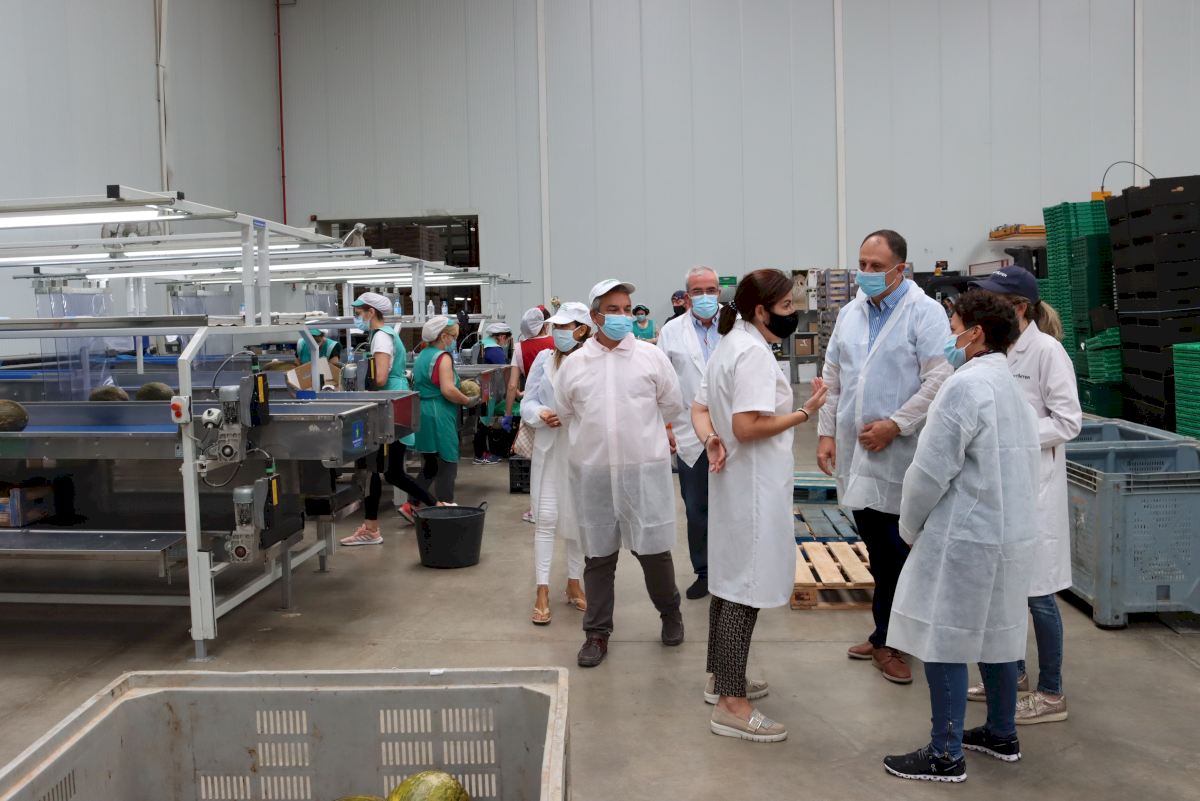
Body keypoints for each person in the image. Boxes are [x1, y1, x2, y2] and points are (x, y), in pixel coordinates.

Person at [882, 290, 1040, 783]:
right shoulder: (1010, 386)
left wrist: (909, 526)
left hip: (965, 535)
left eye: (953, 328)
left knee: (943, 637)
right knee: (998, 632)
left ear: (976, 333)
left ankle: (945, 753)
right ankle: (1001, 732)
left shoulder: (964, 386)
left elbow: (930, 470)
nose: (948, 338)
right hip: (1009, 532)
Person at [691, 269, 828, 743]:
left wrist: (710, 438)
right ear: (760, 310)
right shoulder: (750, 353)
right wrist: (805, 412)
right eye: (787, 306)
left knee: (729, 582)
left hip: (736, 484)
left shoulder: (730, 344)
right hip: (751, 487)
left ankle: (720, 679)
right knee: (743, 590)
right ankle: (731, 705)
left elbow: (700, 408)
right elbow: (747, 427)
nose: (793, 314)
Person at [817, 229, 953, 684]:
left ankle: (894, 642)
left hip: (900, 451)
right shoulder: (850, 313)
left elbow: (939, 378)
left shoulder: (925, 313)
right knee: (877, 548)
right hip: (856, 447)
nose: (867, 273)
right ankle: (883, 633)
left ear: (901, 268)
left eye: (876, 266)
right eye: (863, 264)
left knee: (897, 550)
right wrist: (826, 434)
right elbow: (832, 376)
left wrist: (897, 424)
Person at [967, 267, 1079, 725]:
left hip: (1036, 488)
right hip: (1000, 487)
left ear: (1018, 307)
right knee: (1004, 591)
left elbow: (1068, 421)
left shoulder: (1047, 352)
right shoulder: (996, 350)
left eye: (994, 300)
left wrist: (1015, 433)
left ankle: (1051, 692)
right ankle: (1011, 677)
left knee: (1037, 595)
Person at [554, 279, 686, 668]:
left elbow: (671, 404)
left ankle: (670, 613)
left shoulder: (651, 357)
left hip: (642, 470)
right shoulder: (576, 364)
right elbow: (565, 413)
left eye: (627, 309)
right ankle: (596, 633)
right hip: (593, 473)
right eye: (613, 310)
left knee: (654, 552)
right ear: (595, 317)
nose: (623, 316)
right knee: (598, 556)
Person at [340, 292, 440, 546]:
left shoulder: (381, 338)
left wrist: (360, 384)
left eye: (359, 312)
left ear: (371, 312)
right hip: (392, 402)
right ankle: (376, 525)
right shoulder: (383, 335)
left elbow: (381, 377)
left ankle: (376, 527)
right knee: (389, 471)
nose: (357, 317)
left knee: (381, 469)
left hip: (388, 405)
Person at [520, 302, 593, 625]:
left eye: (566, 326)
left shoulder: (593, 361)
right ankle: (542, 589)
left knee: (577, 520)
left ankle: (574, 582)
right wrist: (540, 413)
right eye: (557, 327)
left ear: (583, 329)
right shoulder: (543, 359)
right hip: (549, 450)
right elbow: (529, 401)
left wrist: (573, 417)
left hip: (580, 451)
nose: (559, 332)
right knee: (547, 518)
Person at [657, 266, 723, 600]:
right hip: (689, 433)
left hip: (734, 430)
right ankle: (705, 572)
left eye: (710, 290)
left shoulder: (738, 325)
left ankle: (733, 571)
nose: (705, 296)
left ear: (719, 293)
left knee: (736, 505)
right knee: (697, 509)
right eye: (697, 291)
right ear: (686, 297)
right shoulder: (671, 332)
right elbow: (662, 383)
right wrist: (667, 426)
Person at [412, 316, 475, 504]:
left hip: (424, 412)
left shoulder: (423, 355)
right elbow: (448, 390)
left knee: (431, 464)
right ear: (443, 336)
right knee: (448, 461)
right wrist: (467, 400)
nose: (454, 341)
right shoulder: (442, 358)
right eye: (453, 337)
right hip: (438, 413)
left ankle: (411, 503)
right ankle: (446, 505)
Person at [503, 306, 555, 523]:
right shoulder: (556, 343)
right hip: (558, 410)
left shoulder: (519, 349)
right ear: (545, 325)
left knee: (538, 462)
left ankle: (537, 509)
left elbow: (512, 385)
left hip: (534, 411)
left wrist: (507, 414)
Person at [472, 322, 514, 466]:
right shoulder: (495, 350)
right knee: (484, 422)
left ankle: (481, 452)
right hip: (486, 389)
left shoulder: (480, 345)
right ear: (501, 337)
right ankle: (480, 455)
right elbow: (506, 371)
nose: (506, 343)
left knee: (479, 421)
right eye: (507, 340)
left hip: (478, 387)